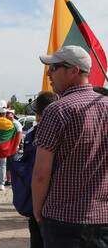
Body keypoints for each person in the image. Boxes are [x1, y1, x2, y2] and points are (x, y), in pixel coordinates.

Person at [32, 45, 108, 247]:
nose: (49, 73)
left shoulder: (57, 110)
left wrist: (37, 210)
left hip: (63, 221)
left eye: (55, 67)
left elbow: (41, 173)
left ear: (74, 70)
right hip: (103, 220)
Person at [11, 91, 58, 248]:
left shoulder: (34, 133)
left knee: (37, 238)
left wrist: (36, 209)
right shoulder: (62, 127)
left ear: (38, 113)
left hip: (37, 196)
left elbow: (38, 173)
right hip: (59, 198)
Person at [4, 108, 23, 186]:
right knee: (8, 164)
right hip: (7, 147)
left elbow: (19, 135)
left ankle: (13, 179)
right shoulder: (6, 123)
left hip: (14, 147)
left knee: (14, 163)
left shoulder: (16, 124)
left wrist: (17, 145)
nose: (8, 116)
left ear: (12, 116)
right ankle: (9, 180)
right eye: (7, 115)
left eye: (9, 115)